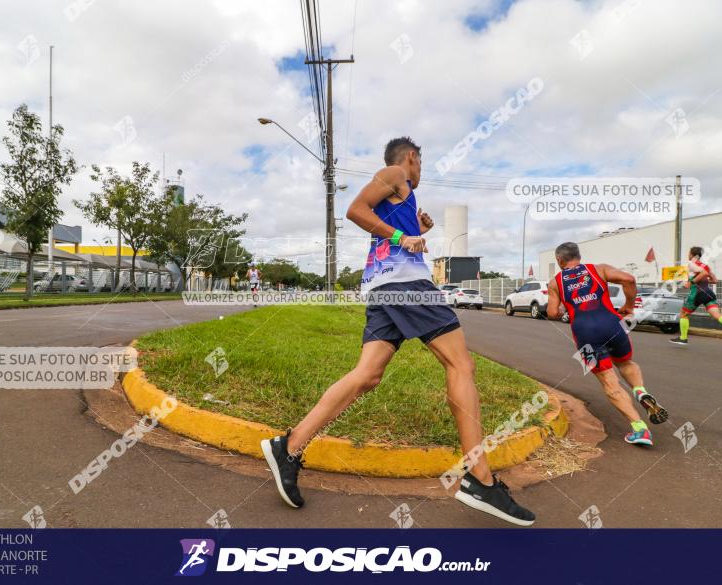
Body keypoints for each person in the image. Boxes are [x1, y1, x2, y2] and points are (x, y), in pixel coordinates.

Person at [260, 137, 535, 526]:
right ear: (411, 158)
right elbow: (355, 210)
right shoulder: (395, 173)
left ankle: (288, 447)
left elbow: (388, 231)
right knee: (461, 365)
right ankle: (478, 477)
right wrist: (401, 235)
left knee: (367, 375)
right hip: (405, 285)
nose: (419, 173)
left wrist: (414, 227)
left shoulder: (403, 197)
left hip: (384, 285)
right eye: (420, 164)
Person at [546, 242, 668, 446]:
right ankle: (640, 391)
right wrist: (629, 306)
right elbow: (628, 279)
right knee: (626, 362)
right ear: (578, 256)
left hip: (585, 333)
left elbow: (551, 313)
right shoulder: (598, 269)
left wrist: (565, 310)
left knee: (608, 379)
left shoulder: (555, 283)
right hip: (612, 324)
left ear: (560, 260)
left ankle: (640, 430)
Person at [670, 246, 722, 349]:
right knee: (717, 315)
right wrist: (701, 281)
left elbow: (704, 273)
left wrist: (691, 282)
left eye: (689, 253)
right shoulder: (705, 265)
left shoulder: (691, 264)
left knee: (683, 314)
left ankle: (683, 338)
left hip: (697, 294)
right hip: (708, 293)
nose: (688, 255)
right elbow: (714, 280)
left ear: (692, 255)